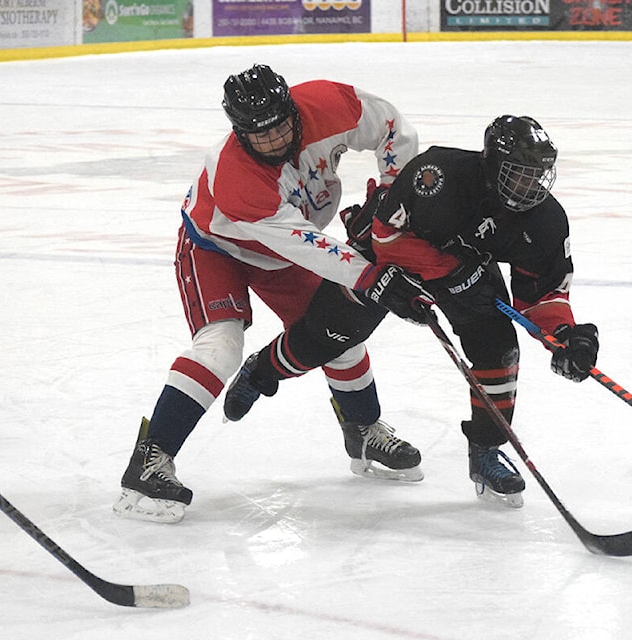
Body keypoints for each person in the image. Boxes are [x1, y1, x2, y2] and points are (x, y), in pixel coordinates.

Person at [113, 64, 433, 524]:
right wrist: (371, 277)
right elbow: (305, 243)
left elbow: (393, 128)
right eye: (258, 136)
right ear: (238, 131)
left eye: (281, 126)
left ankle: (362, 430)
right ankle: (150, 460)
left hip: (283, 251)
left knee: (341, 336)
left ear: (292, 109)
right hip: (216, 247)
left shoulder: (330, 103)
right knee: (220, 348)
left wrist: (389, 190)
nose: (274, 142)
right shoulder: (235, 178)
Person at [367, 115, 600, 508]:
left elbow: (541, 293)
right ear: (492, 165)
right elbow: (384, 237)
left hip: (467, 266)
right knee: (333, 330)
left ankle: (487, 451)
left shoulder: (545, 220)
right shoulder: (438, 174)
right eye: (519, 173)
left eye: (538, 174)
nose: (532, 185)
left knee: (497, 347)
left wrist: (563, 335)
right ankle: (267, 373)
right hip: (390, 262)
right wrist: (451, 271)